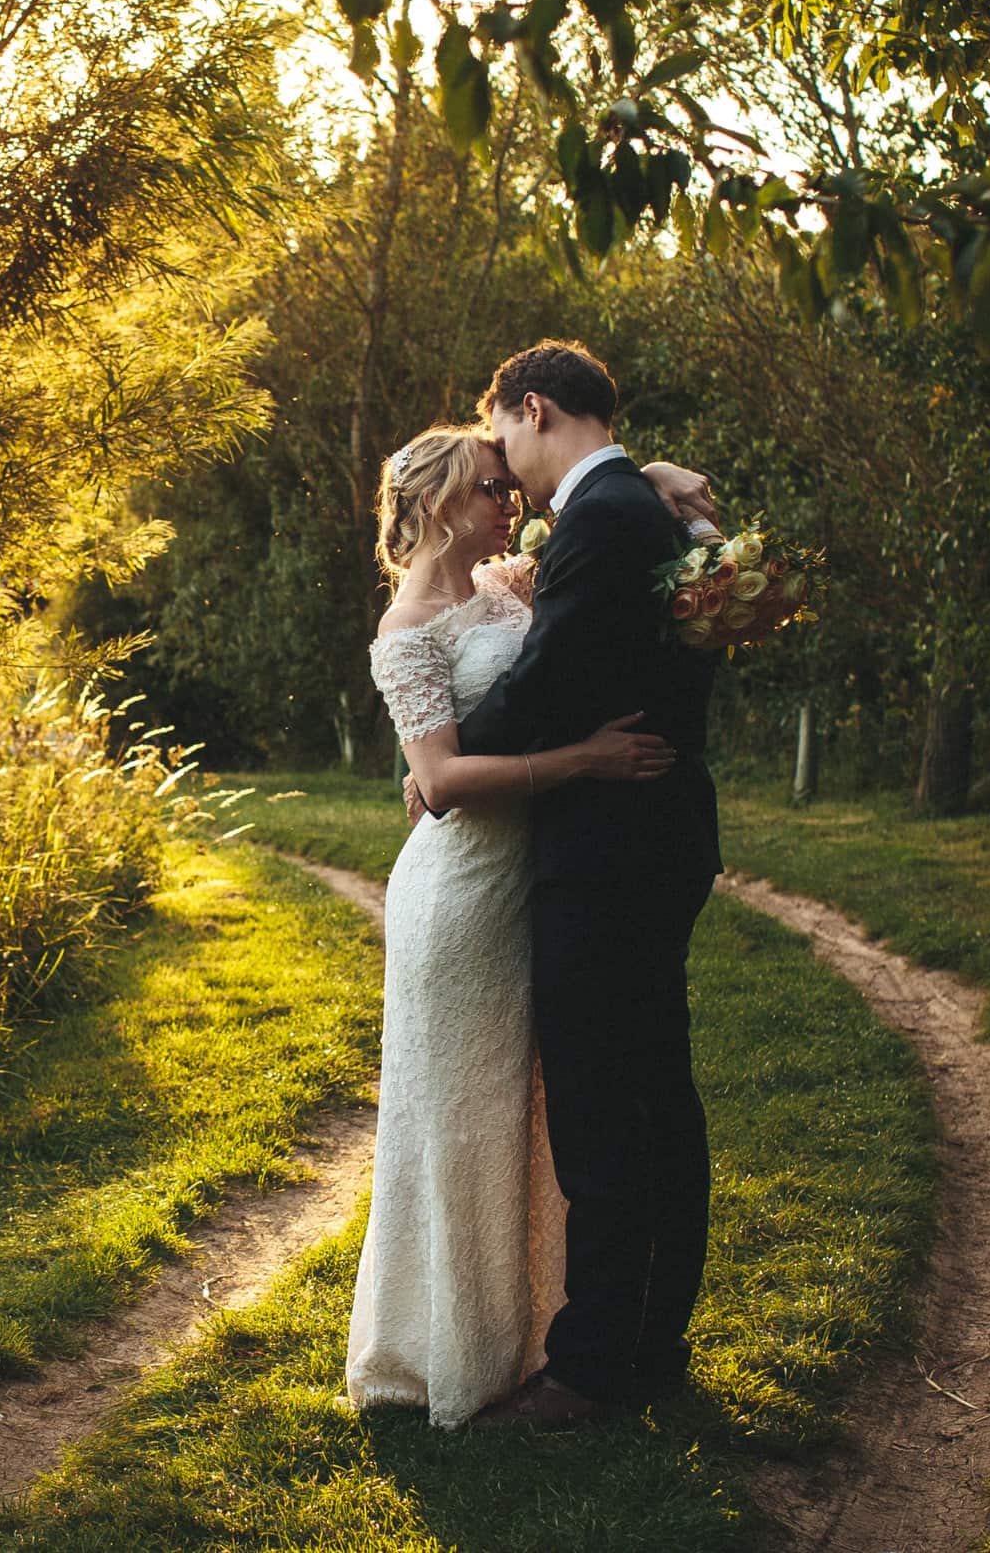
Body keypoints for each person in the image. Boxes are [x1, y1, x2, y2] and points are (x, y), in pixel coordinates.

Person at [344, 414, 713, 1427]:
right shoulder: (406, 629)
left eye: (510, 486)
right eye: (488, 489)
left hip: (538, 879)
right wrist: (581, 762)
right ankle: (447, 1351)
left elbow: (602, 537)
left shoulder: (509, 584)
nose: (511, 502)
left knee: (541, 1119)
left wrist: (656, 476)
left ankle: (537, 1331)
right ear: (433, 506)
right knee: (461, 1115)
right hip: (463, 897)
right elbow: (444, 777)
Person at [432, 339, 724, 1428]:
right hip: (655, 835)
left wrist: (443, 759)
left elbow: (552, 680)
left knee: (606, 1114)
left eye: (503, 434)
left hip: (608, 849)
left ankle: (593, 1371)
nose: (505, 465)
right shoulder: (636, 509)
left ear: (534, 407)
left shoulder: (603, 519)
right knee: (657, 1100)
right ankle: (651, 1344)